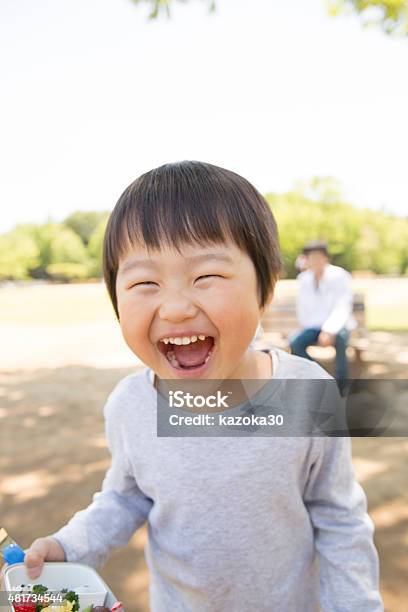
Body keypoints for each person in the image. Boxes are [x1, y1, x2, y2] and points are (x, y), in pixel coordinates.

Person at [23, 162, 382, 611]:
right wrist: (69, 546)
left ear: (265, 289)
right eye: (144, 282)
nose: (174, 308)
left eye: (205, 277)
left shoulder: (307, 391)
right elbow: (124, 496)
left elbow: (339, 518)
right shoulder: (131, 406)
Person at [290, 240, 356, 394]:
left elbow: (343, 305)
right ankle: (320, 377)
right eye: (312, 257)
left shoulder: (339, 275)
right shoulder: (304, 279)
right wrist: (310, 328)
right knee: (295, 342)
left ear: (326, 258)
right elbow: (304, 308)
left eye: (319, 256)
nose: (316, 260)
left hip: (338, 325)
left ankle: (341, 385)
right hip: (314, 326)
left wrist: (329, 330)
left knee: (340, 339)